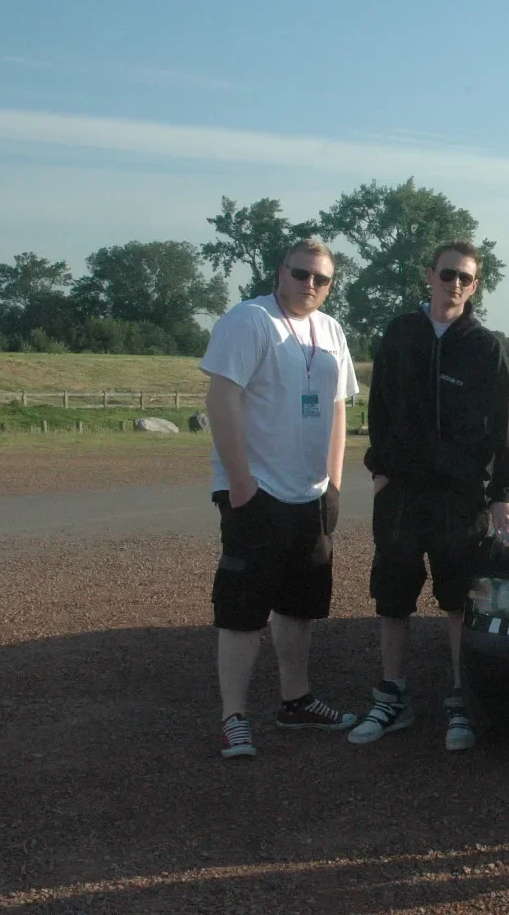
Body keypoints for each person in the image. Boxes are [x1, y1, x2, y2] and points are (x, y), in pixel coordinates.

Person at [349, 239, 509, 751]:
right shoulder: (401, 334)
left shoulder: (484, 346)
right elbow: (378, 407)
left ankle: (460, 700)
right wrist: (380, 470)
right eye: (447, 274)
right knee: (393, 597)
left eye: (465, 278)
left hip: (460, 497)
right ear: (429, 275)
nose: (454, 285)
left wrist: (502, 494)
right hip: (401, 491)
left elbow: (504, 424)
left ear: (476, 285)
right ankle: (392, 696)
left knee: (458, 602)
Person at [202, 236, 360, 759]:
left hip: (311, 495)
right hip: (258, 492)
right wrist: (241, 482)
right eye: (300, 274)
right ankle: (234, 717)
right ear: (280, 272)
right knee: (243, 611)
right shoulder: (249, 321)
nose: (309, 285)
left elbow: (338, 409)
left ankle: (296, 701)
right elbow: (221, 398)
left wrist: (333, 483)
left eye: (321, 279)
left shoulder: (331, 330)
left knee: (300, 607)